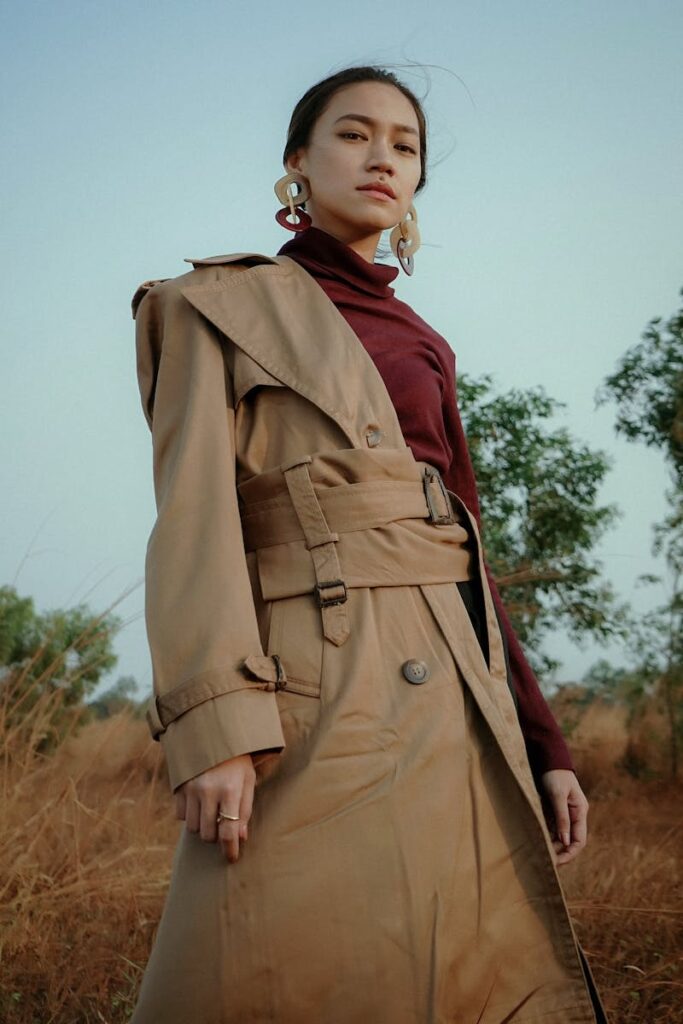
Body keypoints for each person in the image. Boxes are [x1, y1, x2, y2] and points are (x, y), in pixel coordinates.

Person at [129, 65, 609, 1023]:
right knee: (261, 961)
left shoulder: (424, 339)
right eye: (353, 134)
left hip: (452, 691)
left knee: (454, 968)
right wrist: (216, 727)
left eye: (405, 145)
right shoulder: (209, 305)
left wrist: (541, 739)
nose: (381, 157)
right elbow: (194, 521)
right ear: (297, 163)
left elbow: (464, 548)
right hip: (316, 684)